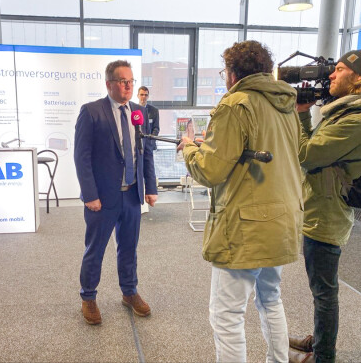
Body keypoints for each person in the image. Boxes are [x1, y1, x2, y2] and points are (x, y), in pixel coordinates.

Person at [177, 40, 303, 362]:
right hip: (282, 220)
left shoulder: (235, 104)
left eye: (224, 72)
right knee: (270, 299)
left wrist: (190, 148)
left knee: (226, 314)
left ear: (233, 74)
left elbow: (209, 170)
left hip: (248, 226)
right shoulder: (285, 105)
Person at [288, 48, 361, 363]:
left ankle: (323, 356)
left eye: (340, 69)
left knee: (324, 292)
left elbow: (306, 155)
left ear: (358, 77)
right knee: (320, 287)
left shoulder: (358, 121)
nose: (331, 74)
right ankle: (320, 341)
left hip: (326, 216)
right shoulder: (349, 112)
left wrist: (301, 114)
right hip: (324, 207)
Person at [74, 60, 158, 325]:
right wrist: (89, 195)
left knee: (129, 248)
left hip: (132, 195)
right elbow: (82, 157)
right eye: (123, 81)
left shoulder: (137, 113)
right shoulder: (91, 112)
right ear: (109, 84)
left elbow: (144, 153)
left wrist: (151, 187)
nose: (128, 86)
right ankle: (88, 297)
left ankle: (129, 292)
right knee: (95, 249)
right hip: (102, 198)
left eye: (131, 81)